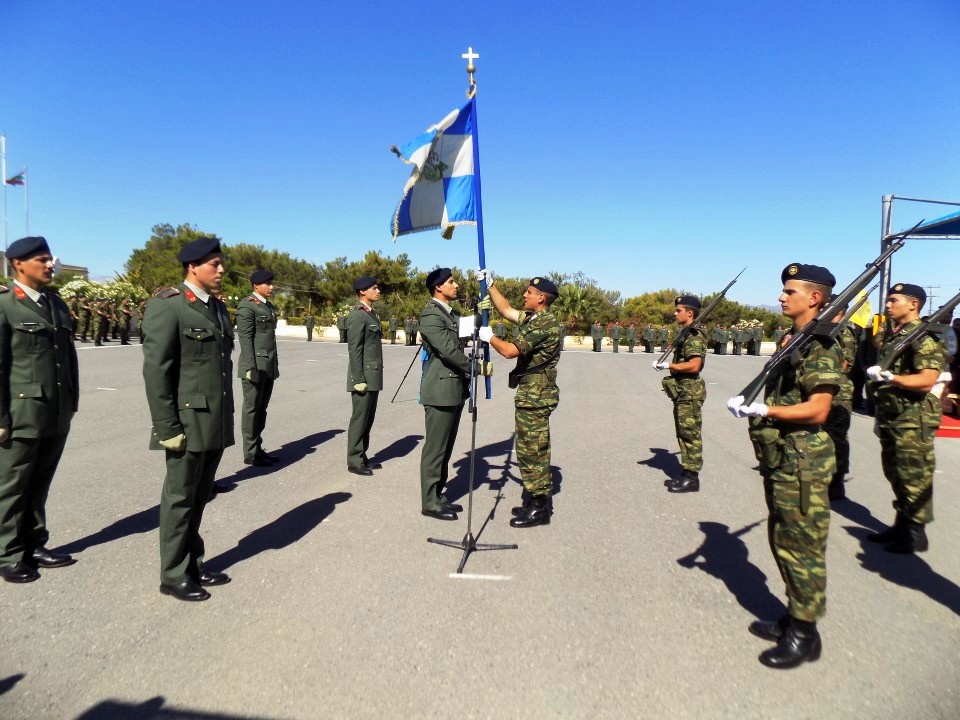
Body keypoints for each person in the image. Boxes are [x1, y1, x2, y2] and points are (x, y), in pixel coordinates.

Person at [727, 263, 841, 669]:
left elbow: (817, 410)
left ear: (814, 298)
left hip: (803, 459)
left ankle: (806, 634)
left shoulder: (821, 345)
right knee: (783, 538)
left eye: (789, 291)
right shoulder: (794, 338)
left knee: (802, 546)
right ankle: (794, 615)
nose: (780, 296)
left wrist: (764, 408)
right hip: (783, 456)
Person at [142, 236, 234, 602]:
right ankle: (173, 574)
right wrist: (167, 427)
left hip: (213, 420)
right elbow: (156, 372)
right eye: (214, 264)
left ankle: (192, 562)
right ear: (193, 267)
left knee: (199, 497)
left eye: (221, 263)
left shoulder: (218, 310)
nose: (222, 269)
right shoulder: (170, 306)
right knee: (180, 499)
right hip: (186, 421)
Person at [0, 236, 79, 583]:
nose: (50, 265)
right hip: (20, 413)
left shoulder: (56, 305)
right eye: (42, 260)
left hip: (55, 409)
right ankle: (7, 552)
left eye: (50, 260)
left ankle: (33, 542)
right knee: (12, 484)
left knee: (40, 482)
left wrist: (72, 401)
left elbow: (68, 359)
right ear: (19, 264)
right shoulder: (5, 305)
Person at [865, 283, 944, 554]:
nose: (888, 305)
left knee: (914, 475)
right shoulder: (895, 334)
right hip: (893, 414)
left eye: (894, 300)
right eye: (888, 300)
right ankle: (901, 524)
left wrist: (891, 378)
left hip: (914, 418)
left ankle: (915, 533)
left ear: (914, 304)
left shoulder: (924, 337)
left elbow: (927, 380)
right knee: (895, 472)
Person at [478, 272, 561, 527]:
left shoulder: (543, 324)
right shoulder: (535, 317)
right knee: (528, 447)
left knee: (533, 449)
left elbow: (509, 351)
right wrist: (491, 285)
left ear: (541, 298)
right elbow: (506, 310)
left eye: (529, 292)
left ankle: (540, 506)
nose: (525, 295)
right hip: (532, 395)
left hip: (536, 397)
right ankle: (534, 500)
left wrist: (489, 337)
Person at [417, 268, 490, 520]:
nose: (456, 285)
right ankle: (429, 501)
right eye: (451, 282)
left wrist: (483, 310)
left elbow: (469, 329)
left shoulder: (451, 313)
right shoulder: (430, 315)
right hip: (439, 390)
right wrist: (476, 367)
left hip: (455, 389)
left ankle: (438, 496)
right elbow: (449, 350)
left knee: (446, 448)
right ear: (438, 287)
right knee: (435, 449)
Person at [654, 295, 707, 494]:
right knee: (683, 432)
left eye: (678, 310)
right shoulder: (685, 332)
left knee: (690, 434)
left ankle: (692, 477)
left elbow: (694, 365)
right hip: (683, 390)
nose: (675, 313)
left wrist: (668, 365)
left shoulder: (694, 334)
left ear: (690, 313)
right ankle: (687, 472)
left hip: (690, 390)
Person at [236, 269, 280, 468]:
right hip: (254, 366)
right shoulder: (247, 306)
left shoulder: (268, 307)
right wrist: (250, 367)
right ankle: (251, 452)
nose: (271, 287)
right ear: (255, 285)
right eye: (267, 284)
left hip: (268, 365)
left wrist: (274, 366)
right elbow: (245, 340)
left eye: (271, 283)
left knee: (262, 409)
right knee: (252, 409)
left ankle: (258, 447)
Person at [346, 276, 383, 476]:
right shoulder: (358, 316)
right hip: (363, 377)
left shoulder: (371, 314)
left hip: (373, 375)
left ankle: (362, 455)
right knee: (360, 419)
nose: (378, 291)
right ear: (362, 292)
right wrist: (358, 378)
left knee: (368, 419)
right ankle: (354, 459)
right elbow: (355, 350)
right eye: (374, 288)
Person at [825, 300, 857, 501]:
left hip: (839, 392)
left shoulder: (844, 331)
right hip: (826, 388)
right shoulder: (827, 328)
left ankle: (837, 481)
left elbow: (845, 364)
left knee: (837, 438)